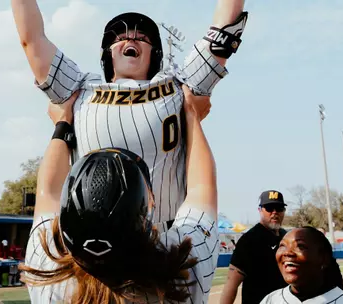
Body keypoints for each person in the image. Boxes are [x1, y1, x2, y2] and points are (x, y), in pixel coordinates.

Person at [11, 0, 248, 232]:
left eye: (142, 37)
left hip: (164, 236)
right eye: (120, 37)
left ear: (153, 53)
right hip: (90, 236)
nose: (131, 38)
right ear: (107, 54)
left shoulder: (179, 88)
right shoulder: (80, 88)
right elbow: (31, 40)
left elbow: (222, 33)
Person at [19, 85, 218, 303]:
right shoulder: (181, 276)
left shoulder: (49, 275)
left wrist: (62, 123)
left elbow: (48, 193)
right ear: (145, 214)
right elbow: (201, 189)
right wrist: (191, 115)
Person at [220, 190, 289, 304]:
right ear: (260, 210)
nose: (274, 212)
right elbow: (231, 283)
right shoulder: (249, 240)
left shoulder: (287, 237)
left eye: (279, 208)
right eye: (269, 208)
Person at [260, 227, 343, 303]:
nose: (287, 252)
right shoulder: (271, 300)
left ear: (324, 259)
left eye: (300, 246)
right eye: (282, 246)